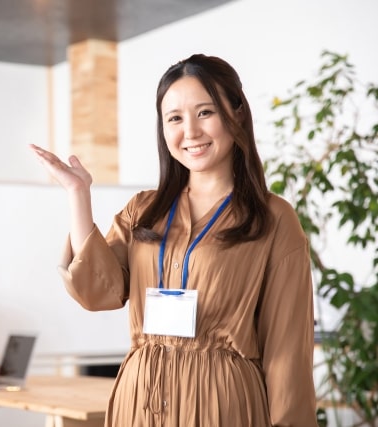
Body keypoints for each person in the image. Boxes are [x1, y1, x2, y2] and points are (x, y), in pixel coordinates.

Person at [30, 54, 317, 426]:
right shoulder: (143, 210)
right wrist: (78, 193)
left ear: (238, 113)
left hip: (222, 405)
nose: (191, 132)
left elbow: (288, 351)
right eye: (175, 118)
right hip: (142, 399)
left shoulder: (274, 218)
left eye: (205, 112)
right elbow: (96, 291)